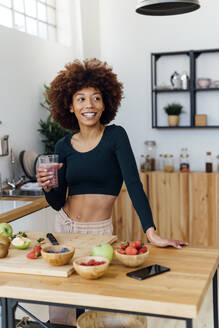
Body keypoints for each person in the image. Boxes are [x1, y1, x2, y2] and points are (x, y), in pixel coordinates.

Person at [36, 58, 188, 325]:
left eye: (96, 98)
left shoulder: (116, 136)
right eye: (81, 99)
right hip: (64, 228)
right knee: (61, 309)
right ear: (70, 106)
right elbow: (57, 201)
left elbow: (134, 185)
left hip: (99, 233)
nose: (89, 105)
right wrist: (49, 186)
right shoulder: (63, 145)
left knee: (98, 308)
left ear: (105, 103)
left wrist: (151, 231)